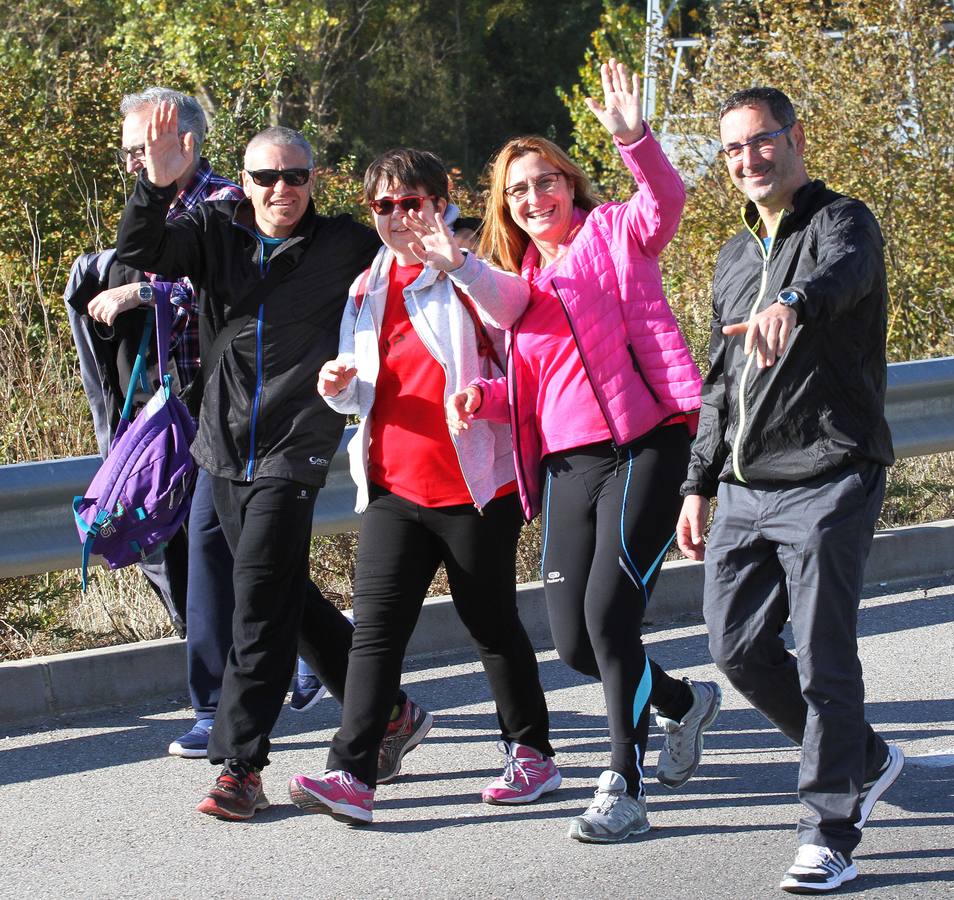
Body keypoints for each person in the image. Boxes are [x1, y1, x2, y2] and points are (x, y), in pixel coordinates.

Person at [115, 108, 427, 821]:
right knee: (284, 590)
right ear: (246, 182)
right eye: (266, 176)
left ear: (312, 179)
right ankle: (391, 713)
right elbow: (143, 249)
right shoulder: (212, 231)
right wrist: (155, 185)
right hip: (222, 445)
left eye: (295, 176)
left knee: (256, 598)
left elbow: (409, 247)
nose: (281, 188)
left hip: (296, 444)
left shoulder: (342, 241)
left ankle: (240, 766)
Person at [447, 59, 721, 844]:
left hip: (648, 443)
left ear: (570, 184)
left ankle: (622, 784)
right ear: (508, 209)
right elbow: (538, 392)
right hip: (569, 466)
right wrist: (486, 399)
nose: (537, 199)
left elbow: (664, 201)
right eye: (520, 191)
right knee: (573, 642)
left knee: (609, 618)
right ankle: (682, 703)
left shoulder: (613, 234)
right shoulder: (519, 287)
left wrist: (634, 138)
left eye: (548, 182)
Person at [675, 87, 904, 893]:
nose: (747, 161)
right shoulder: (732, 256)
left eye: (760, 142)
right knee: (734, 649)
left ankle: (829, 826)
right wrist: (697, 482)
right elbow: (717, 382)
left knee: (822, 655)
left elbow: (843, 278)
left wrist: (793, 303)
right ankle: (861, 756)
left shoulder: (844, 222)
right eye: (732, 150)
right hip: (742, 484)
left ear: (794, 137)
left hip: (829, 474)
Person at [287, 148, 557, 826]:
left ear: (442, 200)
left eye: (414, 202)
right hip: (392, 488)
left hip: (472, 486)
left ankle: (532, 754)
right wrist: (339, 388)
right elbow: (361, 390)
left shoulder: (472, 268)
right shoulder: (367, 286)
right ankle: (351, 775)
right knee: (374, 633)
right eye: (386, 206)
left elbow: (517, 311)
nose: (401, 217)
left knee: (489, 623)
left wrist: (456, 264)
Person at [75, 86, 326, 760]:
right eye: (129, 152)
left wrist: (141, 290)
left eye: (145, 148)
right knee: (219, 554)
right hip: (182, 407)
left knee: (224, 552)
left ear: (185, 142)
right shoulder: (164, 204)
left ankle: (226, 702)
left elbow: (221, 279)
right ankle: (291, 669)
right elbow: (140, 243)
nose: (134, 161)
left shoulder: (227, 201)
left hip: (236, 409)